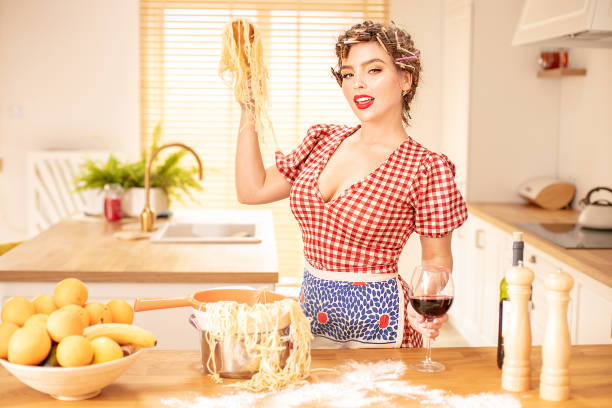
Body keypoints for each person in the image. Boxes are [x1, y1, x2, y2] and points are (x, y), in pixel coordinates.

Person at [235, 20, 467, 348]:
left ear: (405, 79)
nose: (358, 84)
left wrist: (427, 302)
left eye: (373, 70)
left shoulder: (426, 168)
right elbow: (252, 190)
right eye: (347, 74)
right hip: (311, 317)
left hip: (382, 326)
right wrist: (248, 107)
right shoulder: (322, 141)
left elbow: (436, 261)